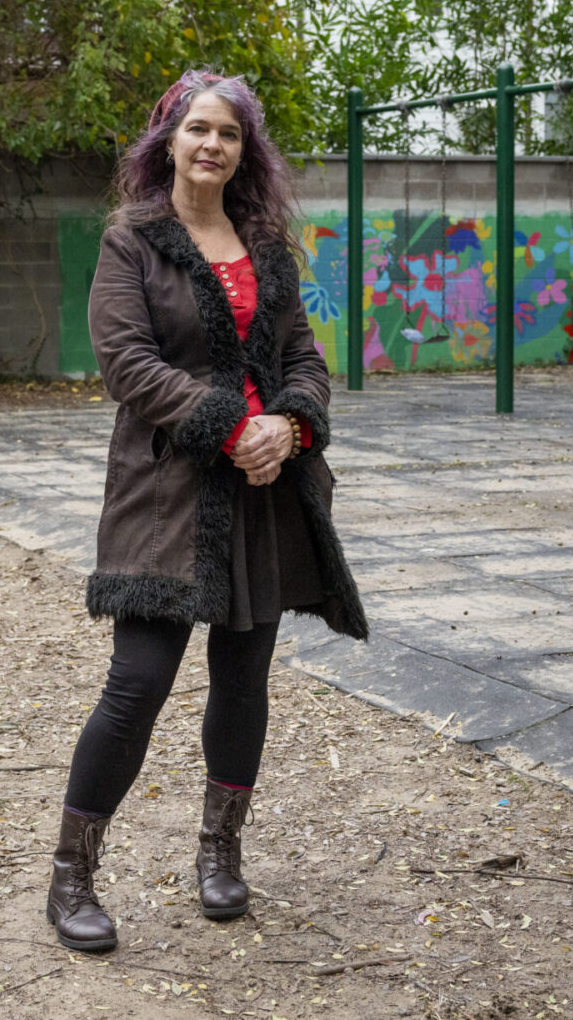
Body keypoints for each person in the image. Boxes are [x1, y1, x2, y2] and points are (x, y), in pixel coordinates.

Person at [45, 70, 368, 953]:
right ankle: (72, 875)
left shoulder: (265, 245)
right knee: (138, 683)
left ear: (243, 151)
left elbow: (303, 358)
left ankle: (220, 855)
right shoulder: (133, 242)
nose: (212, 145)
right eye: (198, 129)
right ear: (168, 141)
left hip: (265, 496)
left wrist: (289, 429)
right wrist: (231, 426)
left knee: (243, 682)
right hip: (166, 493)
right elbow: (127, 364)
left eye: (229, 133)